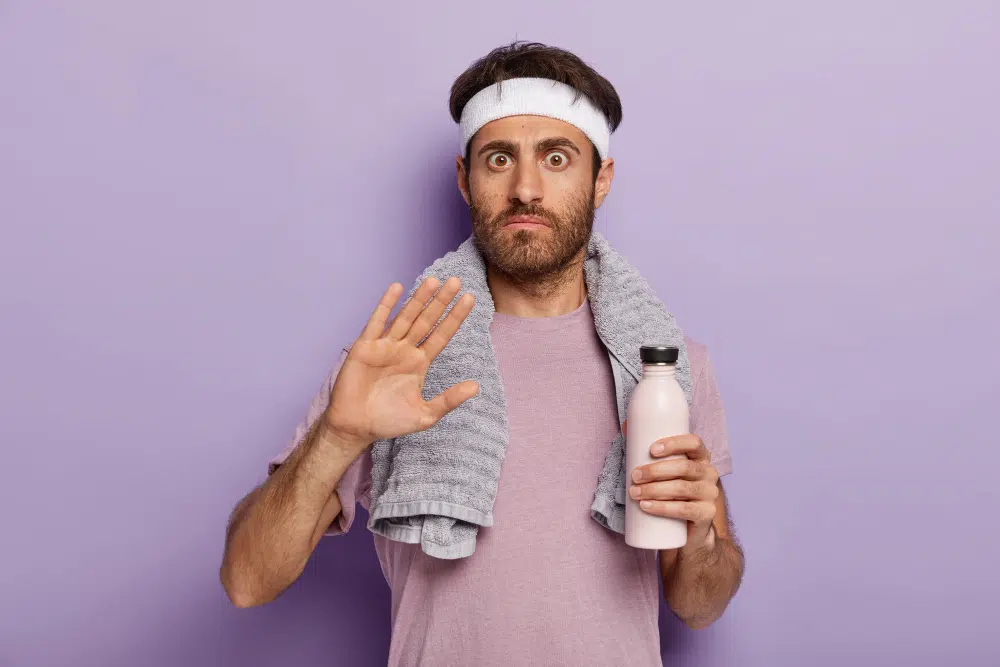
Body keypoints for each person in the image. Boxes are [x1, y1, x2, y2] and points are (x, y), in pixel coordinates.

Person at [220, 41, 745, 666]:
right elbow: (247, 582)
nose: (526, 189)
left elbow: (700, 605)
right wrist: (336, 436)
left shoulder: (666, 368)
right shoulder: (395, 360)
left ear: (601, 179)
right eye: (499, 159)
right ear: (465, 180)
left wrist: (703, 531)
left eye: (556, 157)